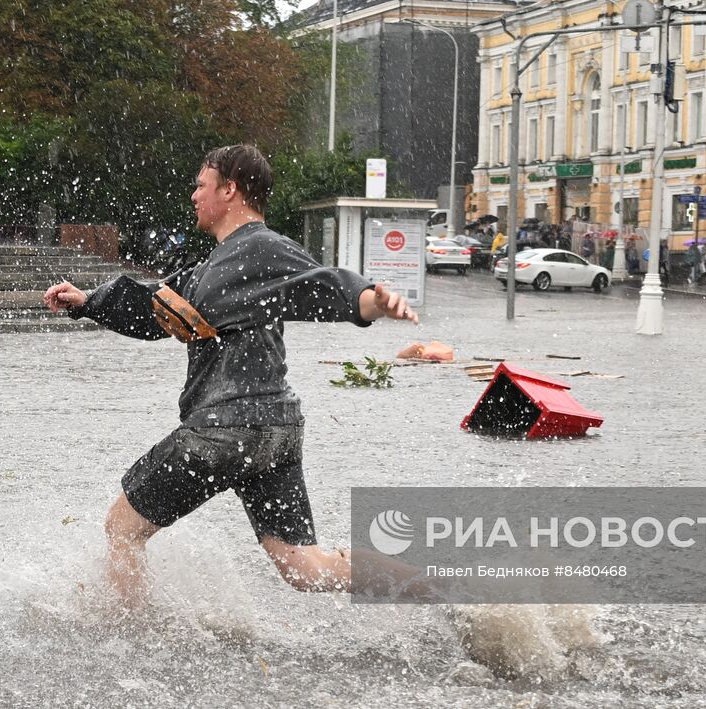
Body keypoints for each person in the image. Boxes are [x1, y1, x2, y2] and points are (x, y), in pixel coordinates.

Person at [43, 144, 425, 608]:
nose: (193, 196)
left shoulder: (262, 246)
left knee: (121, 528)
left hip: (225, 431)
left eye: (201, 186)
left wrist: (372, 302)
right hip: (274, 434)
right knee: (301, 567)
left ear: (230, 189)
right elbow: (153, 308)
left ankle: (130, 636)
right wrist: (89, 302)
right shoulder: (212, 266)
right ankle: (442, 588)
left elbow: (325, 283)